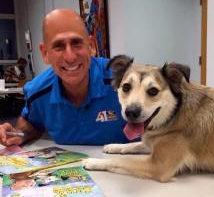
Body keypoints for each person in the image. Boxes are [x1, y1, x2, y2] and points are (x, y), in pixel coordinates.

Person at [0, 8, 130, 146]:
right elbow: (31, 123)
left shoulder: (124, 80)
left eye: (76, 43)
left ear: (91, 46)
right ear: (45, 53)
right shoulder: (37, 92)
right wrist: (17, 133)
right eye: (59, 46)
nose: (70, 57)